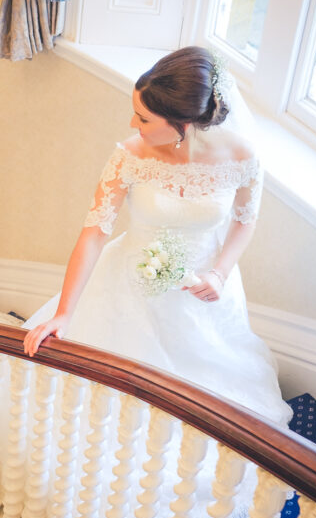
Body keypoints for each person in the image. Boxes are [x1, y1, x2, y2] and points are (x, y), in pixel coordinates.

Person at [23, 46, 291, 427]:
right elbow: (94, 232)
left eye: (144, 118)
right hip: (129, 290)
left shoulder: (242, 156)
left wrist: (219, 273)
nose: (133, 123)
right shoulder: (129, 156)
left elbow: (245, 221)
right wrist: (64, 314)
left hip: (204, 292)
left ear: (183, 123)